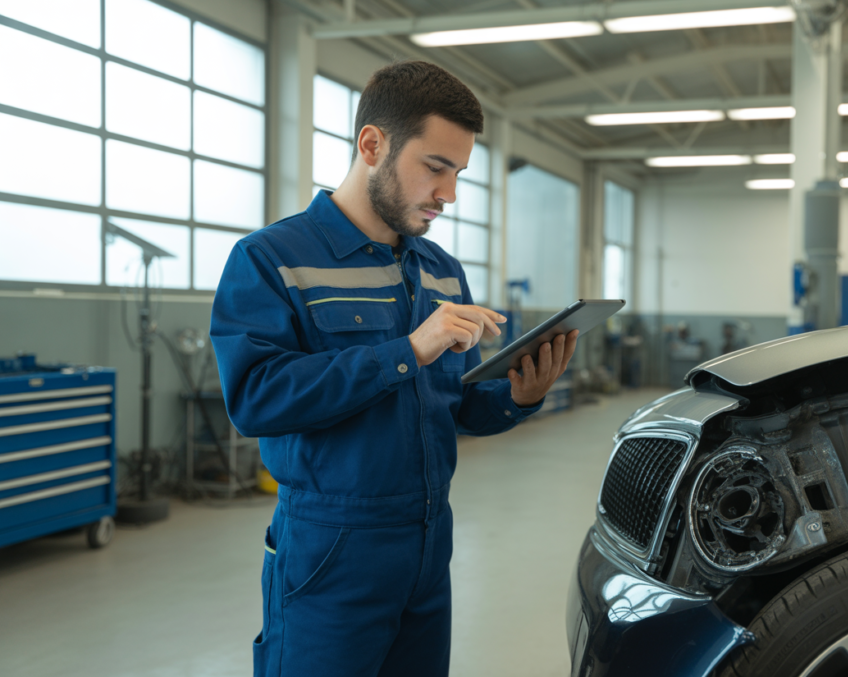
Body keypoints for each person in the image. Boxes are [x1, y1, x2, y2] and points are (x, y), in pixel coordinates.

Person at [210, 60, 578, 677]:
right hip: (332, 551)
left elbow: (454, 405)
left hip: (430, 546)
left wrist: (520, 395)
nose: (449, 194)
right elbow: (255, 398)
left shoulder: (441, 270)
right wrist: (406, 351)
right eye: (435, 168)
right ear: (373, 145)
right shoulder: (270, 258)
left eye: (458, 173)